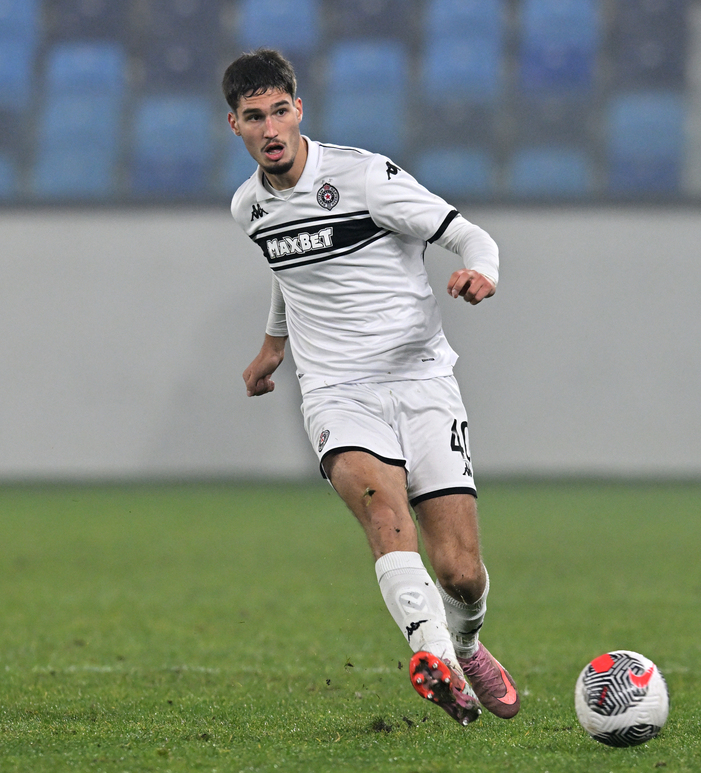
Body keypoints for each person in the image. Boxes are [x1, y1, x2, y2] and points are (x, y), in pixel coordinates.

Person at [222, 49, 518, 726]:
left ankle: (465, 645)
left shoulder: (364, 177)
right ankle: (433, 658)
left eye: (279, 111)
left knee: (460, 572)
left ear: (299, 110)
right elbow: (290, 272)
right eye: (253, 117)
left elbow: (467, 234)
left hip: (420, 380)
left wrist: (484, 273)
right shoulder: (248, 208)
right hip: (336, 391)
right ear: (233, 125)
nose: (270, 128)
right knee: (385, 515)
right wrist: (273, 346)